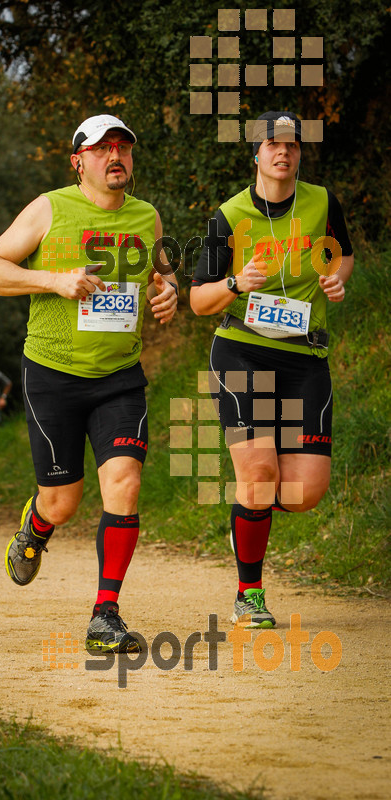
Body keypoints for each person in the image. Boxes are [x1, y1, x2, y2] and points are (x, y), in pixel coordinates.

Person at [0, 114, 178, 653]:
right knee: (62, 502)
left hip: (119, 378)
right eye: (102, 148)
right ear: (78, 161)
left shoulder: (147, 216)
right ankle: (36, 528)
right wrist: (52, 280)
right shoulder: (50, 208)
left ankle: (104, 615)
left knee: (125, 483)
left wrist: (169, 290)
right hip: (52, 376)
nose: (116, 156)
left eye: (124, 148)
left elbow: (162, 270)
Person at [190, 111, 354, 628]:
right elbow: (198, 300)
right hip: (243, 350)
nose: (283, 152)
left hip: (304, 356)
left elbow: (343, 254)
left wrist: (335, 279)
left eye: (292, 144)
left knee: (304, 492)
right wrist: (237, 283)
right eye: (272, 144)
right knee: (259, 473)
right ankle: (249, 593)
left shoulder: (322, 202)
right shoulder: (229, 215)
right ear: (255, 153)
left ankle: (248, 512)